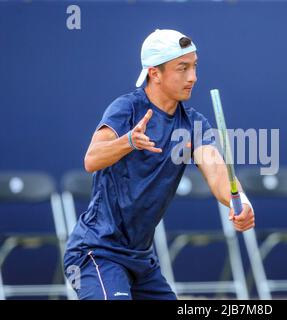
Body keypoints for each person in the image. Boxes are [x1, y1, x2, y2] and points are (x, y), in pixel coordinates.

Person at [63, 29, 255, 300]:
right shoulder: (126, 109)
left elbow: (216, 172)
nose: (193, 77)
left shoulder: (193, 123)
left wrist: (242, 202)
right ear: (155, 73)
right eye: (182, 68)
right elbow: (92, 159)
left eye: (195, 67)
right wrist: (129, 141)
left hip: (141, 261)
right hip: (96, 253)